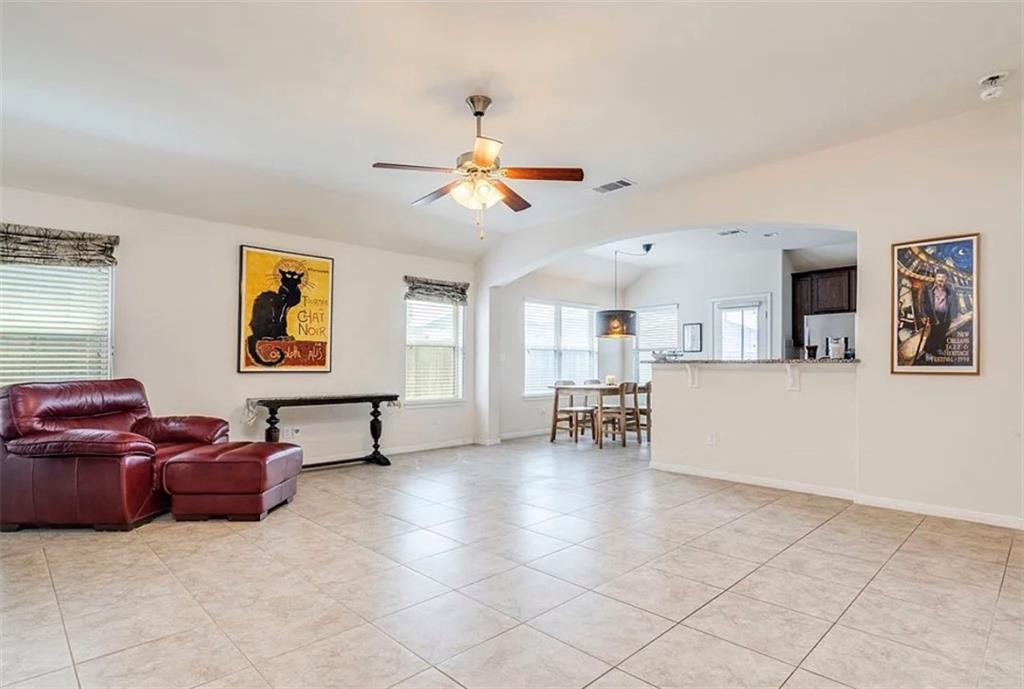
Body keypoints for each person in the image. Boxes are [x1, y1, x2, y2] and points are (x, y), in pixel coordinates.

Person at [918, 268, 959, 357]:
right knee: (932, 333)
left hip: (945, 316)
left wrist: (954, 315)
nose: (941, 279)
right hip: (932, 314)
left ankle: (937, 349)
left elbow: (955, 303)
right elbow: (922, 302)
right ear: (935, 277)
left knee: (942, 333)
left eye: (943, 277)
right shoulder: (927, 288)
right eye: (939, 276)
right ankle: (928, 351)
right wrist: (923, 315)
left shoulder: (950, 290)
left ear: (946, 279)